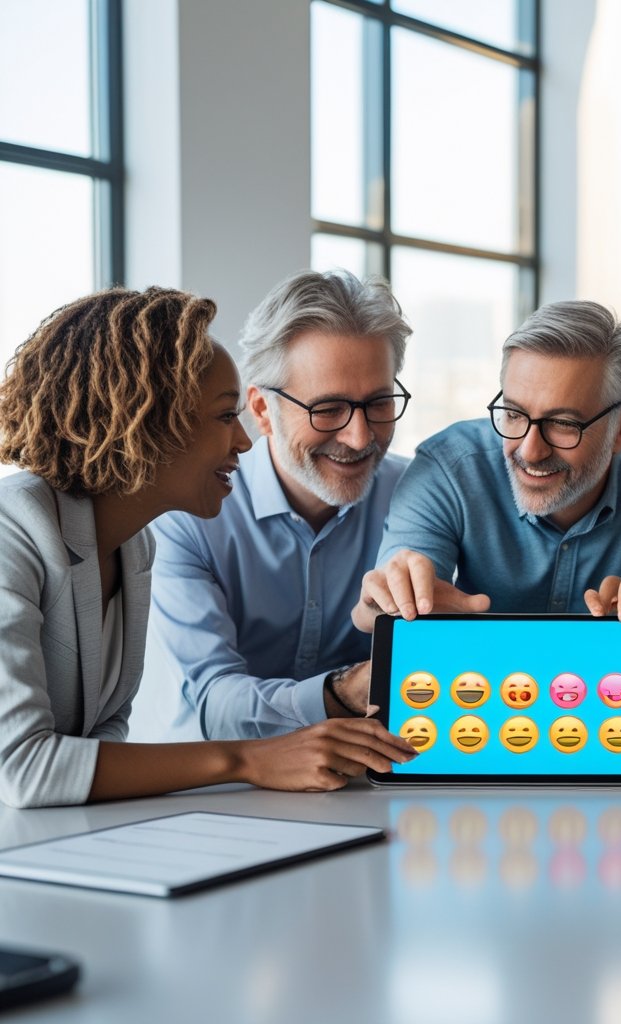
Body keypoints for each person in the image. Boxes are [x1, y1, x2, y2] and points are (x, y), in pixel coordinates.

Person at [0, 287, 414, 808]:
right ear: (147, 422)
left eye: (378, 403)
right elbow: (21, 766)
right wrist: (247, 759)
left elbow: (102, 734)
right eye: (225, 417)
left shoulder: (132, 546)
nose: (243, 441)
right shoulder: (13, 528)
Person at [355, 299, 621, 699]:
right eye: (513, 414)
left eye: (563, 423)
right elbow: (401, 652)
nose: (529, 450)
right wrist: (390, 601)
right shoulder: (446, 467)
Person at [149, 270, 412, 739]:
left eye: (378, 403)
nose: (359, 436)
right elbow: (216, 701)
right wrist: (344, 691)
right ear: (263, 411)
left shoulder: (419, 498)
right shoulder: (188, 518)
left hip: (370, 786)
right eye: (327, 409)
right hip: (221, 791)